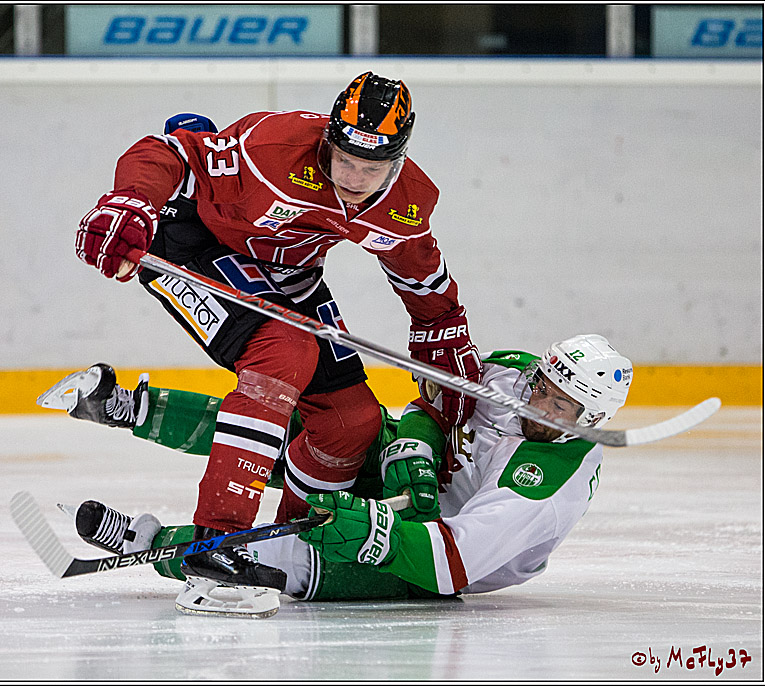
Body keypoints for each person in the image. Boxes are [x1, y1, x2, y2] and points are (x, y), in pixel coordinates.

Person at [73, 72, 483, 607]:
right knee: (286, 347)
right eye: (346, 160)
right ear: (329, 140)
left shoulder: (406, 202)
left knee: (351, 422)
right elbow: (168, 151)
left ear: (398, 160)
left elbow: (424, 285)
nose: (356, 178)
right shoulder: (273, 150)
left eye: (373, 167)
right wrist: (129, 204)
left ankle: (291, 545)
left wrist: (447, 348)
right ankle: (217, 540)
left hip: (288, 276)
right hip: (194, 243)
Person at [38, 334, 633, 617]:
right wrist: (414, 447)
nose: (537, 404)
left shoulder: (549, 482)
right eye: (542, 386)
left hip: (434, 556)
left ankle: (147, 542)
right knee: (309, 428)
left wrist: (376, 533)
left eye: (559, 405)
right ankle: (129, 406)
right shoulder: (509, 374)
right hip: (414, 483)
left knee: (292, 561)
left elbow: (457, 561)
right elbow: (433, 406)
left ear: (592, 420)